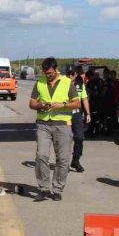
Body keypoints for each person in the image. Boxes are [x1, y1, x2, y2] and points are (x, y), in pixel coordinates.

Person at [30, 57, 80, 201]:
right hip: (43, 124)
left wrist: (63, 105)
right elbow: (32, 103)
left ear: (56, 69)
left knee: (63, 159)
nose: (48, 75)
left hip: (62, 124)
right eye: (46, 73)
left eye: (50, 73)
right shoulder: (40, 82)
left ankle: (57, 189)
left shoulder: (66, 83)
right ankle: (44, 188)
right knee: (41, 156)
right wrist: (40, 105)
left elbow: (77, 104)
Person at [70, 65, 90, 172]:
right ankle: (61, 162)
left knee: (79, 137)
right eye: (68, 74)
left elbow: (85, 99)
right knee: (63, 140)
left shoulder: (80, 85)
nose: (70, 76)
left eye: (72, 74)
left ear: (75, 74)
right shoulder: (61, 85)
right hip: (64, 116)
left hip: (77, 115)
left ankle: (76, 160)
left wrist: (88, 113)